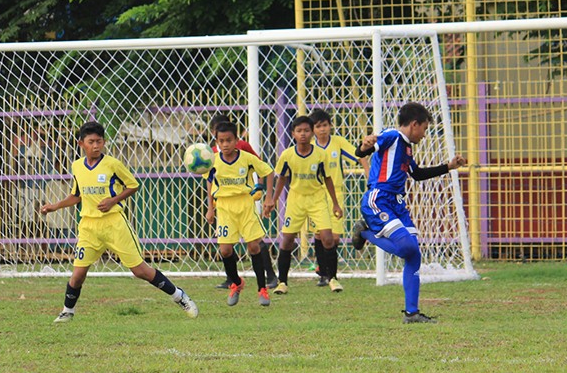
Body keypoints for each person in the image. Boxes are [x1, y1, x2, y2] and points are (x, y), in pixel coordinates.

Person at [40, 121, 198, 322]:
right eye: (91, 142)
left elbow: (133, 185)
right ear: (81, 144)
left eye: (99, 141)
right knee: (78, 273)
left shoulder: (113, 164)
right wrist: (54, 206)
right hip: (89, 226)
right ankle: (67, 311)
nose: (96, 146)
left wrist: (113, 200)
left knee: (139, 270)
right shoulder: (77, 166)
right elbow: (76, 195)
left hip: (114, 223)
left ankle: (179, 296)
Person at [352, 103, 466, 324]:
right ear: (414, 124)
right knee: (406, 248)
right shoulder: (392, 136)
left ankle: (412, 313)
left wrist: (448, 166)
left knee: (414, 254)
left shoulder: (406, 148)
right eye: (424, 128)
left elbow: (418, 174)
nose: (424, 135)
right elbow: (363, 150)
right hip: (380, 199)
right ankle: (365, 231)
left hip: (397, 204)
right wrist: (365, 145)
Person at [263, 116, 342, 295]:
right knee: (288, 239)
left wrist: (336, 204)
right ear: (293, 134)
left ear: (312, 132)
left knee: (327, 238)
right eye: (299, 131)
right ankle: (282, 282)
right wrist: (273, 200)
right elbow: (281, 177)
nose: (303, 134)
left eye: (306, 130)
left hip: (316, 199)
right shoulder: (288, 155)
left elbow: (327, 178)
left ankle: (333, 278)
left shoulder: (320, 155)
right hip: (296, 200)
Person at [206, 121, 275, 307]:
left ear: (237, 140)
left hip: (245, 206)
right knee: (225, 250)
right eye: (222, 141)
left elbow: (268, 172)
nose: (226, 144)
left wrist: (269, 197)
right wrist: (210, 208)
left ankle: (262, 289)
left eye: (229, 140)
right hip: (225, 208)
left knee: (254, 247)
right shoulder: (213, 160)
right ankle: (236, 283)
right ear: (217, 142)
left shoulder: (247, 158)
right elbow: (209, 182)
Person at [310, 108, 369, 290]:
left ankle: (327, 269)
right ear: (313, 129)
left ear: (330, 126)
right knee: (319, 234)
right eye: (318, 126)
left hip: (336, 193)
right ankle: (324, 273)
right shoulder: (310, 146)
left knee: (334, 238)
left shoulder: (338, 142)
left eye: (325, 125)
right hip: (315, 195)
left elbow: (359, 155)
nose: (322, 129)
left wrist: (369, 175)